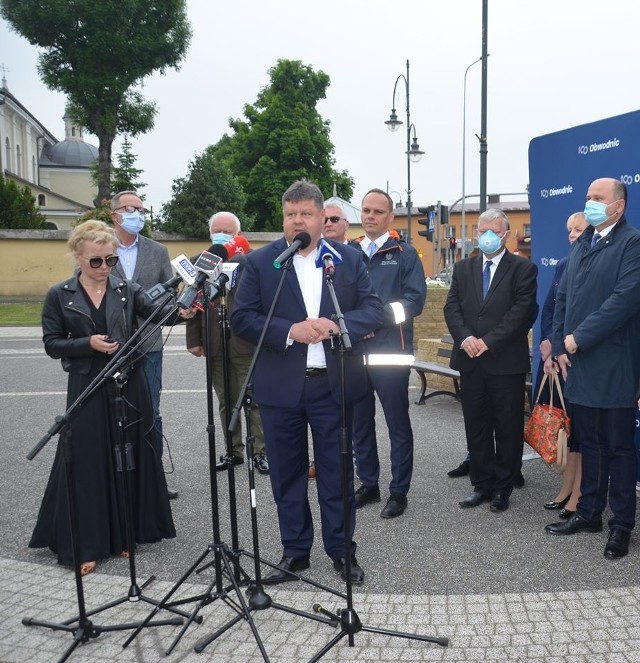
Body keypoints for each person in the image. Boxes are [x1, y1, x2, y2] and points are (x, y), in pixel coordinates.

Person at [231, 180, 384, 585]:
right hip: (281, 388)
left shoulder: (347, 260)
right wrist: (289, 330)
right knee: (287, 475)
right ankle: (295, 551)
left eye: (305, 214)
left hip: (332, 385)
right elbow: (242, 318)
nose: (296, 221)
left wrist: (337, 324)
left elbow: (373, 309)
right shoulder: (262, 263)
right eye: (290, 215)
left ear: (321, 217)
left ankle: (341, 551)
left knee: (336, 474)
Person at [30, 220, 187, 575]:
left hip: (128, 384)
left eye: (111, 260)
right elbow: (52, 344)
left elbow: (159, 314)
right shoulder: (60, 294)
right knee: (87, 462)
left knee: (128, 456)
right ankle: (86, 543)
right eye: (96, 262)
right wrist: (88, 344)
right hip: (88, 384)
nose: (104, 268)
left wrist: (183, 312)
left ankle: (123, 538)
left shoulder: (125, 289)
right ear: (78, 257)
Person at [546, 178, 640, 559]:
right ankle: (588, 512)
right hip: (578, 365)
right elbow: (562, 297)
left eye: (597, 198)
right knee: (590, 443)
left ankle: (621, 525)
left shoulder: (632, 243)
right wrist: (559, 344)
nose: (590, 203)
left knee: (618, 447)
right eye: (587, 197)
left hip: (614, 363)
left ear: (618, 206)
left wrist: (576, 339)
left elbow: (623, 302)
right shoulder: (584, 242)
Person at [444, 208, 537, 513]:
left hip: (505, 363)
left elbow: (521, 313)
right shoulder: (463, 268)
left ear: (506, 234)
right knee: (477, 425)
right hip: (470, 361)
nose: (487, 235)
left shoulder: (523, 269)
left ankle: (502, 487)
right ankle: (481, 484)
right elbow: (452, 308)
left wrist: (488, 341)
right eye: (482, 229)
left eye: (494, 230)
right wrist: (466, 338)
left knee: (508, 427)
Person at [351, 189, 426, 519]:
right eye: (366, 210)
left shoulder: (405, 254)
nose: (370, 216)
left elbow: (413, 301)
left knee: (397, 424)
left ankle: (399, 491)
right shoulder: (348, 253)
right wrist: (355, 325)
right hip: (353, 351)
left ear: (390, 217)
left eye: (377, 211)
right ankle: (369, 483)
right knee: (359, 423)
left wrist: (373, 320)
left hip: (389, 353)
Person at [186, 211, 269, 475]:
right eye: (217, 229)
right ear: (210, 233)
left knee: (255, 399)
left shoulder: (253, 260)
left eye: (228, 230)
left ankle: (262, 453)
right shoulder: (199, 262)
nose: (222, 234)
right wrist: (193, 340)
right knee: (226, 400)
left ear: (238, 233)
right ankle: (234, 451)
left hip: (246, 342)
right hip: (214, 342)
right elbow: (191, 301)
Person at [109, 190, 178, 499]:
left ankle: (154, 480)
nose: (137, 214)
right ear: (115, 215)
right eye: (130, 208)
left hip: (149, 343)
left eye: (141, 209)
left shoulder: (157, 251)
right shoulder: (100, 247)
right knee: (114, 411)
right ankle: (116, 477)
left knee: (151, 410)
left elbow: (170, 295)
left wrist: (174, 310)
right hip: (111, 345)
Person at [539, 212, 588, 518]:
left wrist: (568, 348)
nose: (571, 234)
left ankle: (580, 493)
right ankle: (566, 486)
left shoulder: (594, 268)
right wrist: (550, 348)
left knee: (582, 431)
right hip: (559, 358)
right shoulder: (562, 265)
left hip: (581, 359)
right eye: (569, 229)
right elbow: (549, 309)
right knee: (568, 430)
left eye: (578, 229)